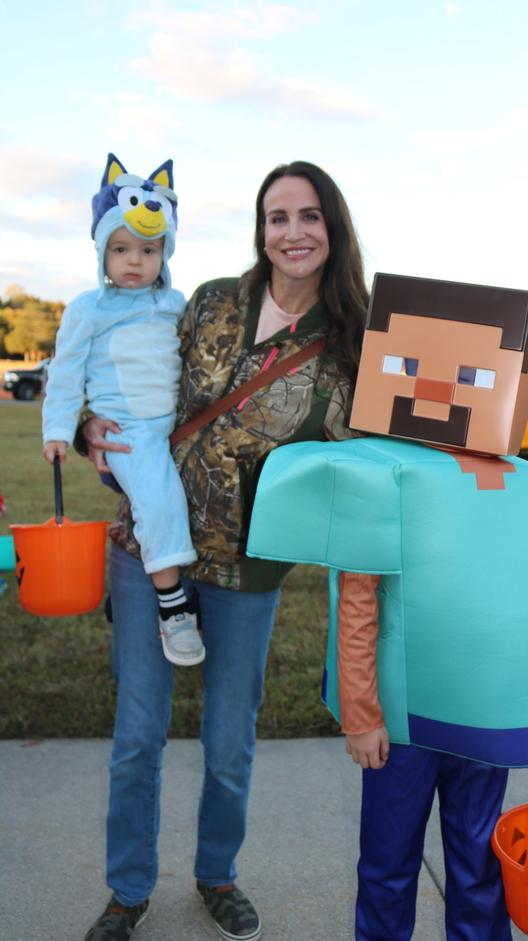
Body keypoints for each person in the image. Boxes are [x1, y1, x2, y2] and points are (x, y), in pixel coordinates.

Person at [247, 273, 528, 941]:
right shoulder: (383, 474)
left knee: (478, 866)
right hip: (403, 724)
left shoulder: (527, 486)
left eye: (471, 375)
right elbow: (356, 603)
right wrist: (362, 716)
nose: (444, 387)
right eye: (414, 368)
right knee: (388, 863)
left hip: (488, 712)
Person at [78, 161, 369, 941]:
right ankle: (128, 890)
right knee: (137, 735)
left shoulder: (351, 343)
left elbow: (373, 455)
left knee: (229, 740)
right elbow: (123, 365)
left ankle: (217, 875)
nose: (292, 232)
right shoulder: (209, 302)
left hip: (249, 567)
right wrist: (84, 423)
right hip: (151, 550)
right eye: (277, 217)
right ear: (260, 230)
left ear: (333, 229)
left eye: (308, 215)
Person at [42, 153, 205, 666]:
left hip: (177, 427)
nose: (134, 261)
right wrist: (59, 429)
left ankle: (152, 589)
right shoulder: (88, 309)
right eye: (120, 249)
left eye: (148, 250)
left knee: (178, 505)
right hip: (128, 432)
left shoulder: (175, 303)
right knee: (158, 506)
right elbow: (65, 373)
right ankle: (173, 609)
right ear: (101, 252)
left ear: (164, 253)